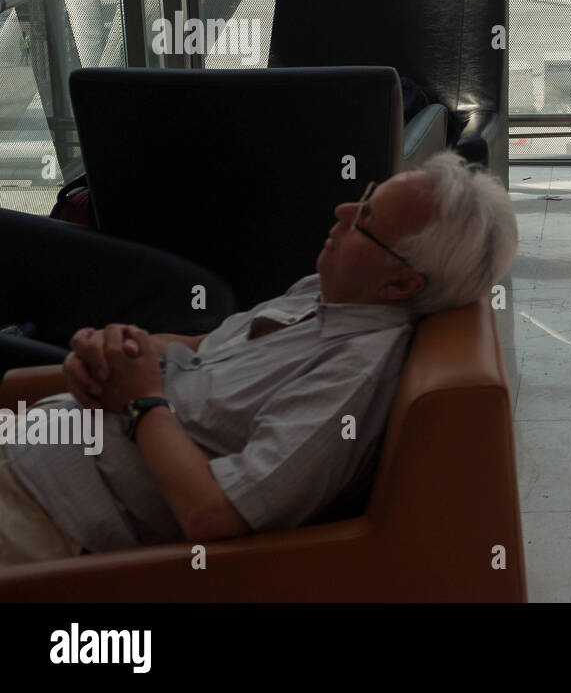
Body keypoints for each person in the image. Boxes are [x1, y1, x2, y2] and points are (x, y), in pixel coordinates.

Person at [0, 151, 517, 566]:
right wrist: (118, 352)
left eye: (365, 221)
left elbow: (215, 517)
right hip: (29, 446)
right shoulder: (325, 293)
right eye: (363, 198)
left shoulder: (348, 380)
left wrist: (140, 403)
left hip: (45, 518)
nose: (341, 213)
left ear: (401, 283)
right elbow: (210, 351)